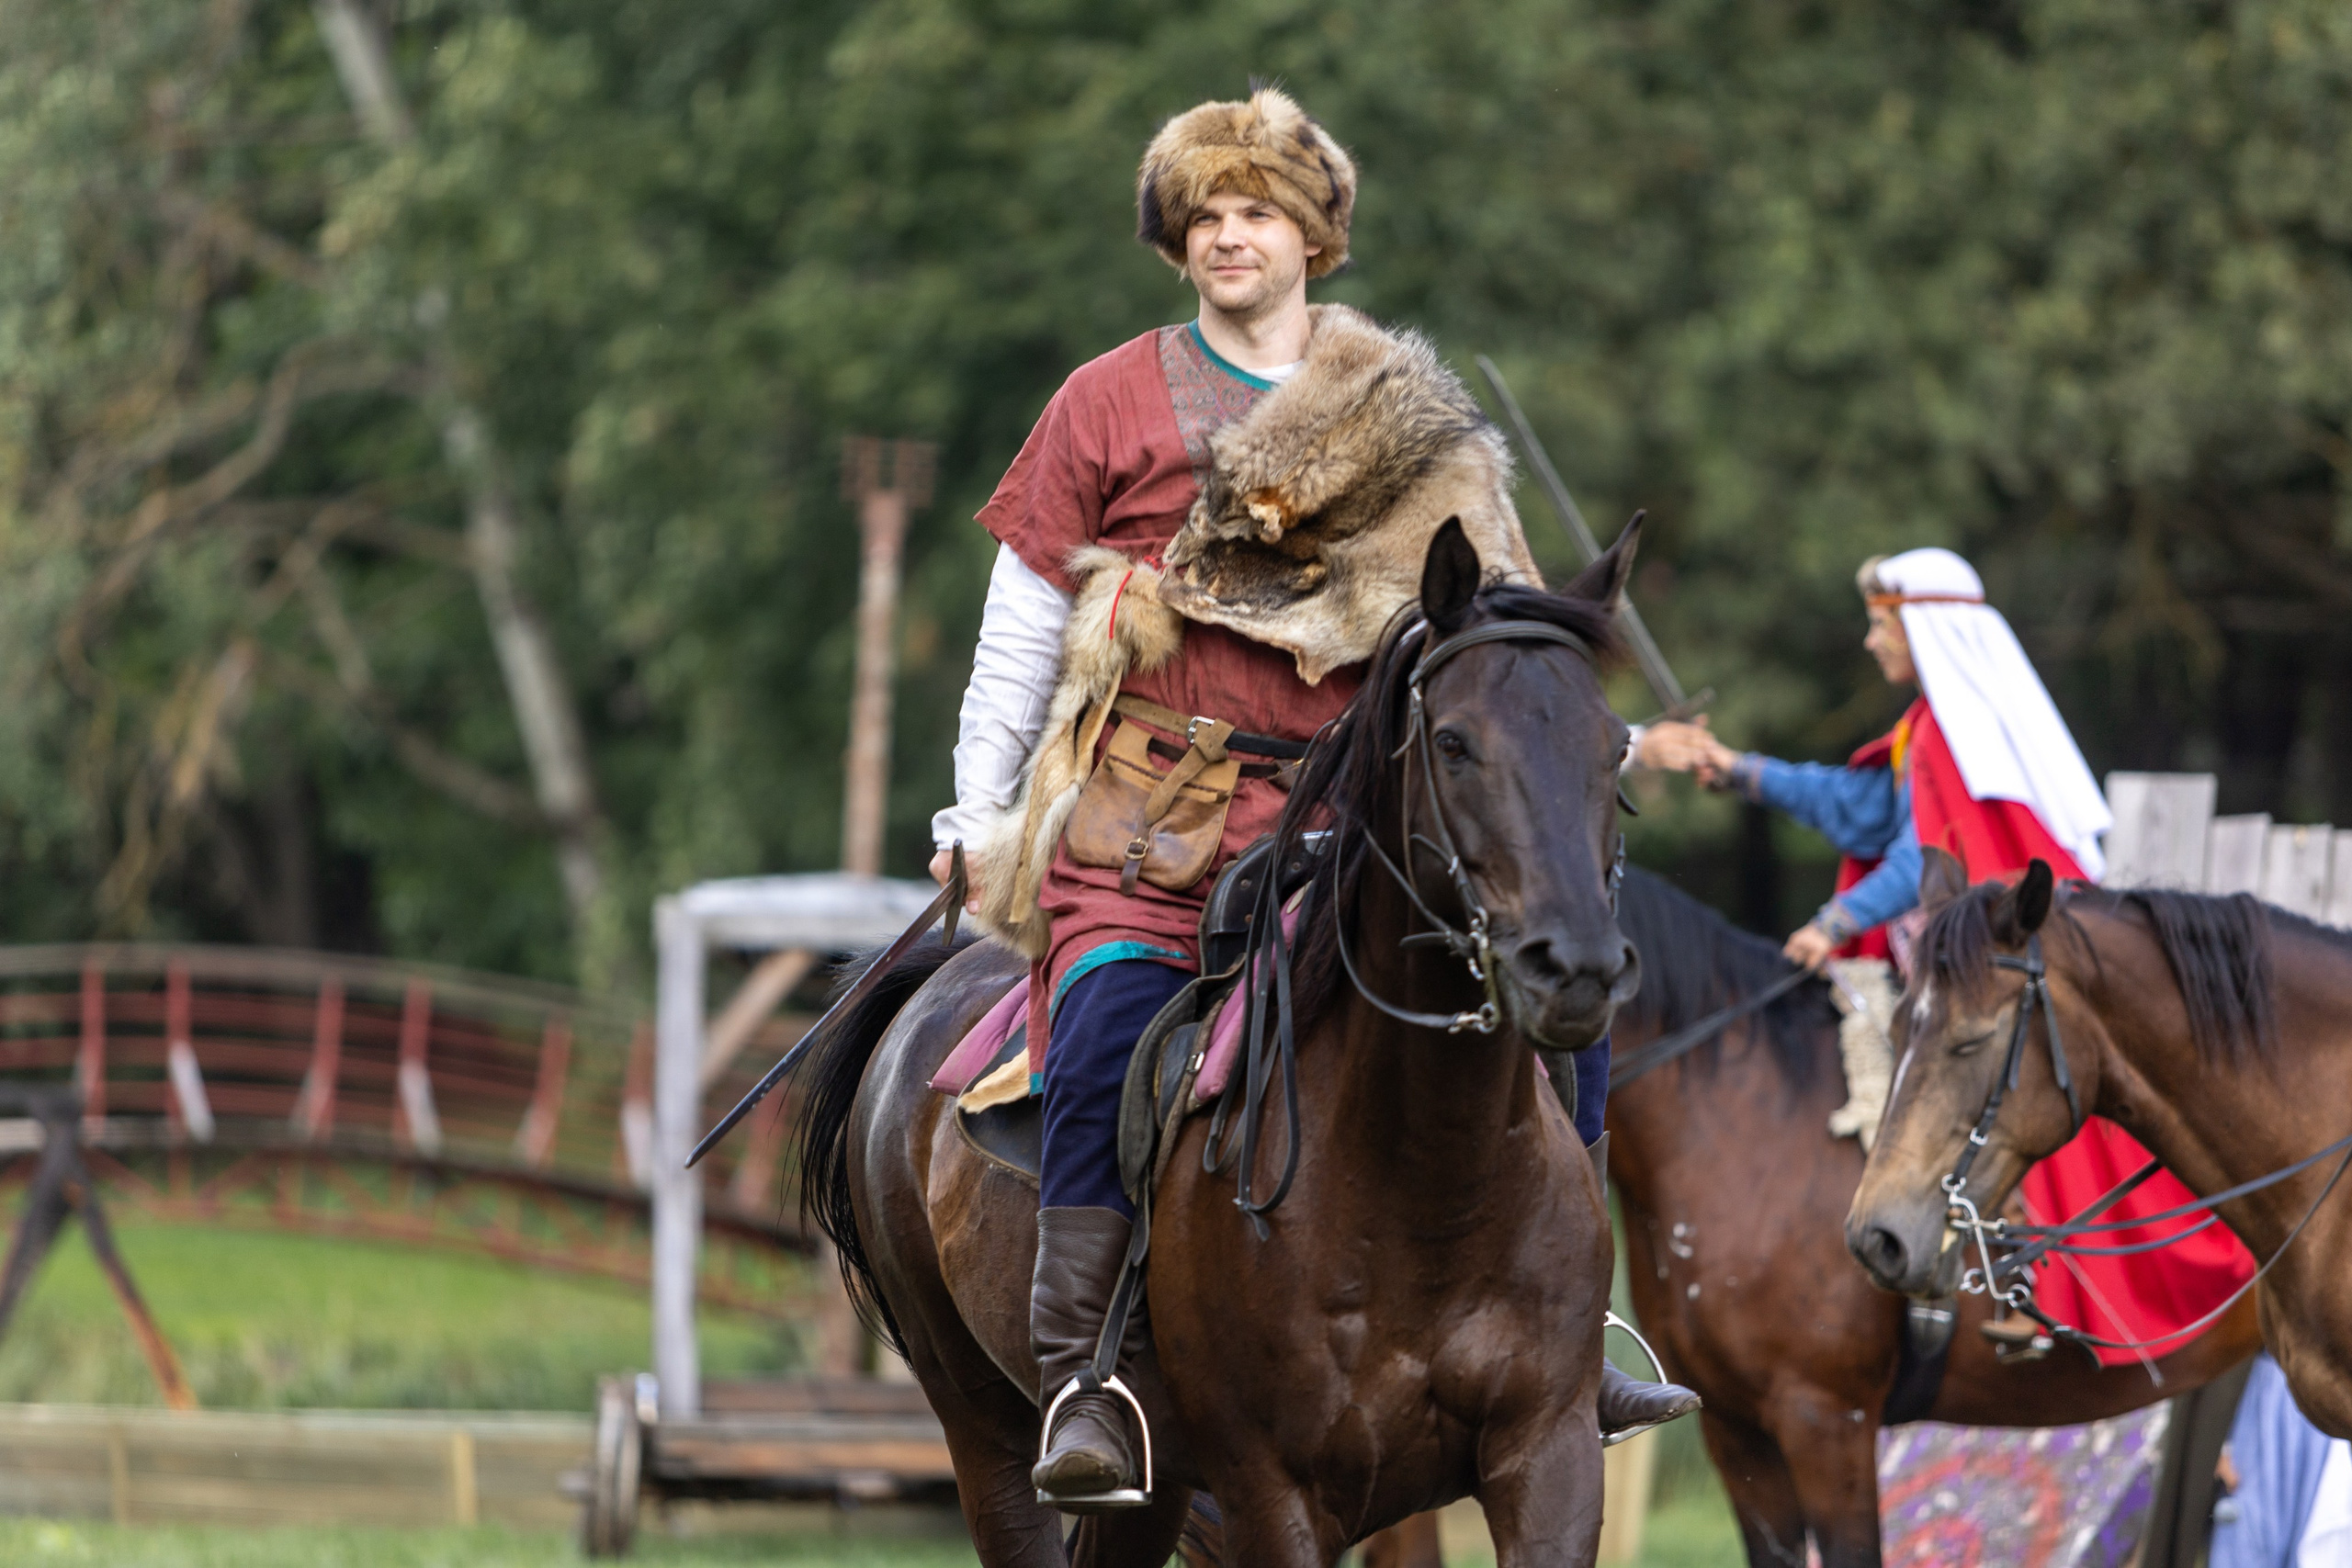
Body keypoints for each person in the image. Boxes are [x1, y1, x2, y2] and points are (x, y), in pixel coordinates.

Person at [927, 87, 1696, 1512]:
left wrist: (1602, 741)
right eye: (1206, 215)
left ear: (1310, 237)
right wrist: (977, 816)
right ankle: (1093, 1370)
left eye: (1258, 212)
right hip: (1150, 820)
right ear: (1179, 239)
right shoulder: (1105, 398)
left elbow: (1511, 639)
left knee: (1566, 1003)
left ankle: (1576, 1336)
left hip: (1363, 825)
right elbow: (1024, 626)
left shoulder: (1408, 415)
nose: (1231, 236)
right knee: (1098, 1027)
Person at [1639, 547, 2254, 1363]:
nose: (1869, 641)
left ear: (1925, 625)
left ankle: (2023, 1277)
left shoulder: (1954, 736)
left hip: (1996, 966)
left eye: (1881, 623)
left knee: (1980, 1074)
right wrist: (1744, 773)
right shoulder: (1925, 729)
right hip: (1947, 956)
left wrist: (1836, 918)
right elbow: (1862, 810)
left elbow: (1923, 856)